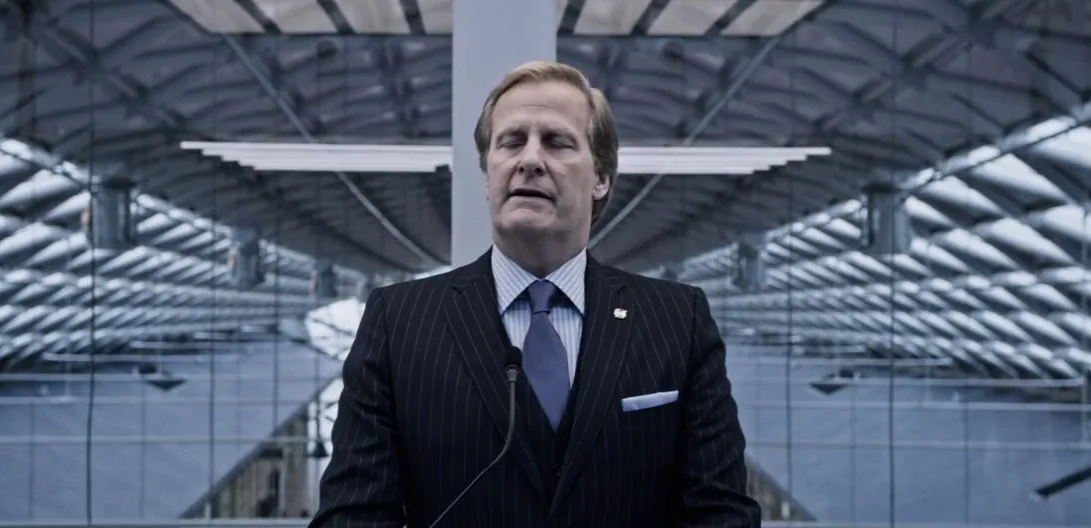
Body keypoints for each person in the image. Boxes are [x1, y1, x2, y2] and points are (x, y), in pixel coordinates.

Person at [311, 61, 761, 528]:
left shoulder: (677, 320)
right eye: (510, 142)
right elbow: (353, 516)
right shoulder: (400, 321)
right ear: (488, 176)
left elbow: (720, 514)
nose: (529, 159)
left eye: (556, 142)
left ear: (601, 178)